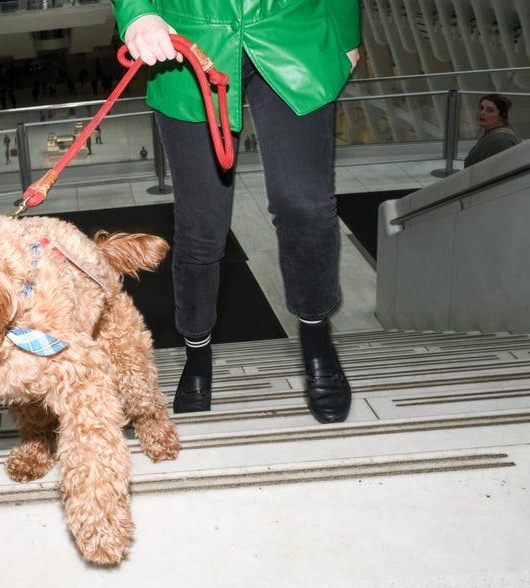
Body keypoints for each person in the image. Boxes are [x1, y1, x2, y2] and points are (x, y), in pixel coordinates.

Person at [113, 0, 361, 423]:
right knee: (201, 225)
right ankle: (197, 350)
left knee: (304, 206)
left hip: (294, 30)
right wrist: (137, 14)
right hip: (189, 39)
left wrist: (347, 33)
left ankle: (317, 338)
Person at [464, 94, 521, 168]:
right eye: (481, 108)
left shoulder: (500, 140)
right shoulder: (492, 134)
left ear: (501, 116)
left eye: (490, 110)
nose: (482, 113)